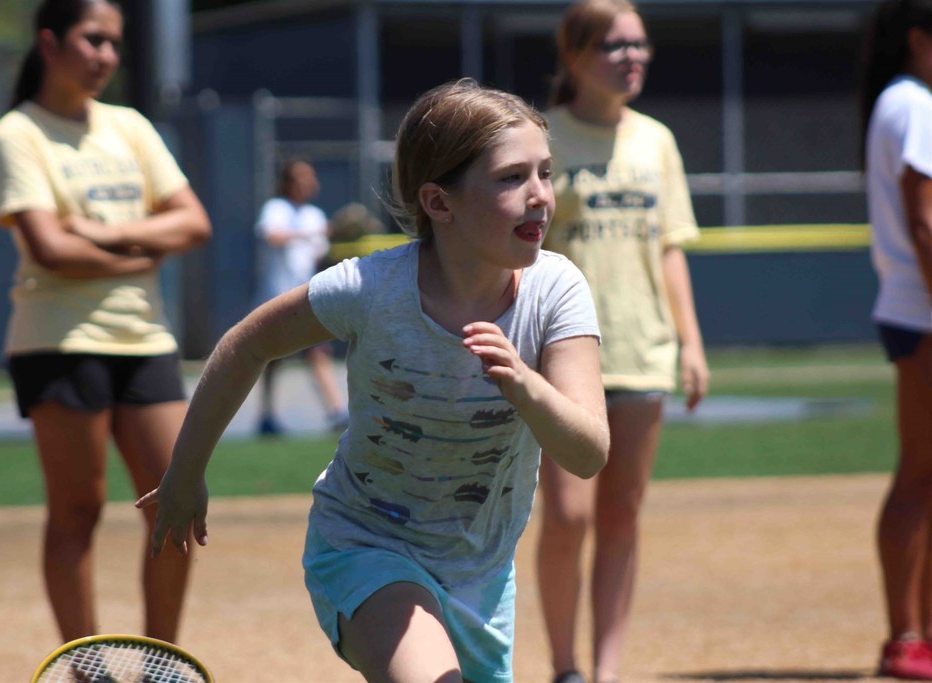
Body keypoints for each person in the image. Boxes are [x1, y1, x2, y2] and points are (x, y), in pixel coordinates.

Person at [136, 79, 611, 682]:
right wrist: (184, 474)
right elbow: (245, 344)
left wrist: (526, 383)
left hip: (481, 573)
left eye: (545, 172)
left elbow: (589, 453)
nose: (540, 194)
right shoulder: (369, 288)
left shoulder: (557, 290)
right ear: (439, 203)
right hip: (364, 545)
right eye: (512, 177)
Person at [0, 0, 211, 644]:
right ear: (50, 44)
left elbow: (194, 222)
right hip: (58, 341)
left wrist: (97, 232)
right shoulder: (17, 133)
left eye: (114, 42)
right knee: (78, 511)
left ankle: (162, 662)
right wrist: (142, 250)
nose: (106, 55)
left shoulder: (129, 126)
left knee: (175, 502)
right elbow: (49, 250)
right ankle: (85, 665)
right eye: (92, 39)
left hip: (144, 337)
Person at [534, 2, 710, 682]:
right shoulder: (543, 137)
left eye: (639, 44)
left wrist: (691, 344)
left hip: (641, 348)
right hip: (561, 354)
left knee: (622, 515)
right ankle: (565, 666)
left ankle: (605, 670)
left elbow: (670, 248)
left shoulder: (656, 141)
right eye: (614, 45)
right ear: (574, 56)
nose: (632, 56)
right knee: (567, 516)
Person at [861, 1, 932, 678]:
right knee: (920, 472)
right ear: (918, 38)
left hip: (914, 307)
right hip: (924, 309)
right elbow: (925, 220)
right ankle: (906, 636)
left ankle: (918, 633)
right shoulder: (915, 103)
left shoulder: (901, 100)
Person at [253, 159, 349, 435]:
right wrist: (312, 233)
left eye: (310, 177)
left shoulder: (314, 214)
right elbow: (272, 236)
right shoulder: (276, 208)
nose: (308, 182)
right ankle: (266, 415)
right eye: (301, 178)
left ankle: (336, 411)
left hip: (307, 298)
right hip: (276, 297)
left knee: (318, 351)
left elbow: (317, 254)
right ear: (287, 183)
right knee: (273, 358)